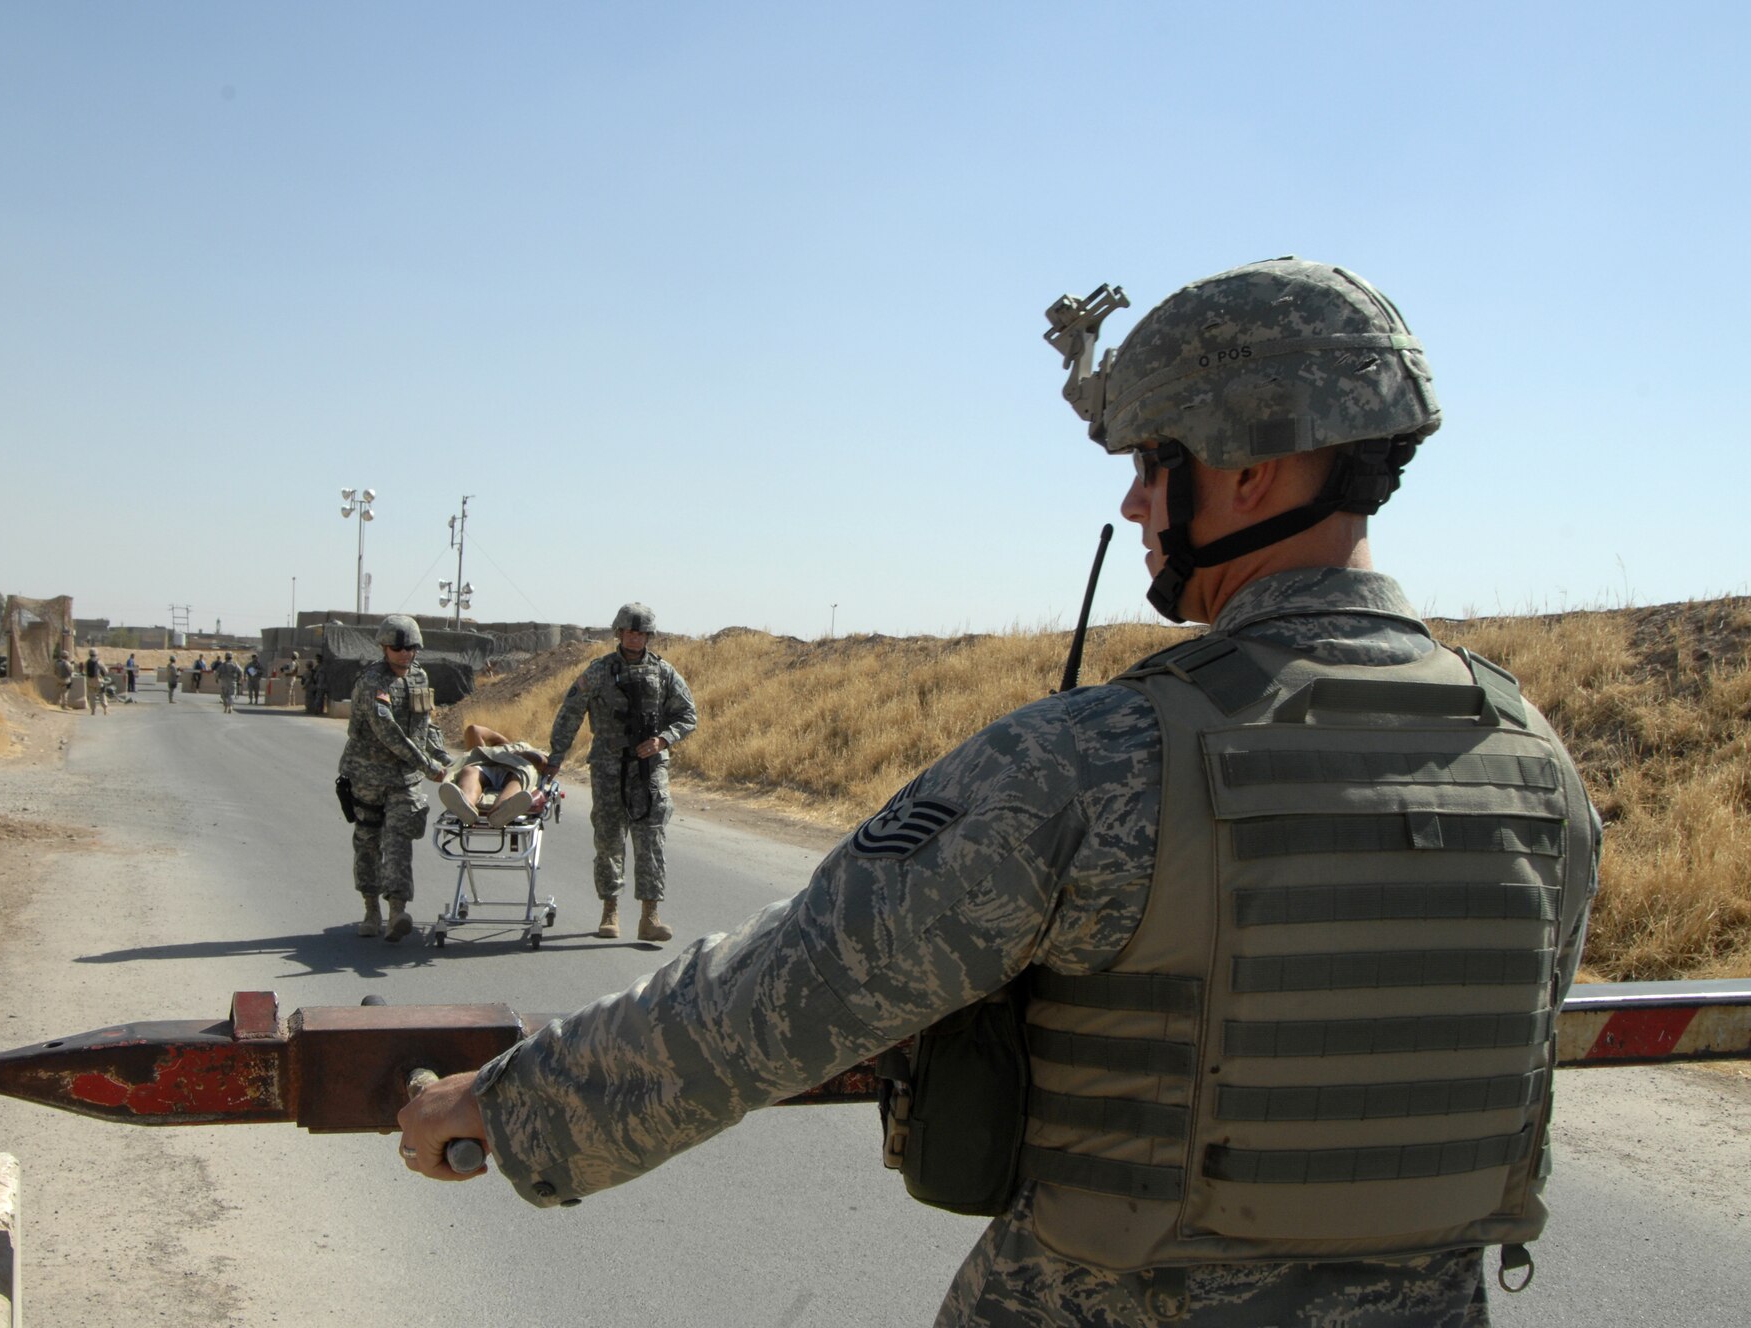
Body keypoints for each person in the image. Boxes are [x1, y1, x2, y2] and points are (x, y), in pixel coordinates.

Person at [398, 259, 1599, 1327]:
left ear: (1252, 469)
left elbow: (787, 992)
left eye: (1155, 462)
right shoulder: (1533, 764)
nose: (1133, 502)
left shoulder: (1098, 760)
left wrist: (514, 1104)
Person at [544, 603, 697, 942]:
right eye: (629, 632)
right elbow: (570, 711)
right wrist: (556, 757)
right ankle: (610, 910)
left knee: (651, 840)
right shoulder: (599, 671)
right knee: (609, 838)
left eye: (640, 633)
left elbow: (688, 715)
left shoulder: (664, 673)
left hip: (649, 769)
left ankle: (650, 916)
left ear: (649, 636)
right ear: (618, 633)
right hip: (609, 767)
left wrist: (662, 740)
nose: (634, 638)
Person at [338, 615, 449, 941]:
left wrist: (443, 758)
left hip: (405, 779)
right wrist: (428, 765)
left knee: (399, 840)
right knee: (368, 843)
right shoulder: (372, 682)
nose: (404, 654)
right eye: (397, 648)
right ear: (384, 648)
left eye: (410, 648)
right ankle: (371, 910)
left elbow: (424, 726)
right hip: (368, 778)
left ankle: (397, 911)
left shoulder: (418, 676)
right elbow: (389, 732)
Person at [439, 722, 552, 826]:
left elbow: (543, 763)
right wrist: (503, 743)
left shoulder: (531, 749)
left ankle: (500, 810)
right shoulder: (498, 748)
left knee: (517, 779)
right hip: (488, 766)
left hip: (517, 769)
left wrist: (523, 754)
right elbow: (474, 730)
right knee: (469, 771)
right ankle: (466, 805)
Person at [84, 648, 108, 715]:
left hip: (90, 682)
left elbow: (85, 671)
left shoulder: (87, 662)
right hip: (98, 681)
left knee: (91, 696)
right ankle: (105, 709)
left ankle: (93, 711)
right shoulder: (99, 662)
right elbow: (106, 671)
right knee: (102, 695)